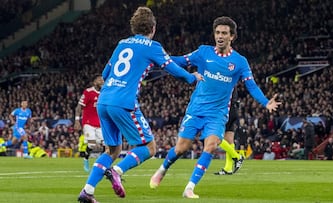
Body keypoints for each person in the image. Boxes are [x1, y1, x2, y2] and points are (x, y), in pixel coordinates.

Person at [77, 6, 203, 203]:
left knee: (112, 150)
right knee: (149, 146)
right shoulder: (153, 46)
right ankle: (117, 171)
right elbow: (173, 69)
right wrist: (192, 77)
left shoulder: (121, 44)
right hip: (123, 102)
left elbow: (104, 75)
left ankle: (88, 191)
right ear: (153, 28)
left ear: (133, 27)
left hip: (103, 101)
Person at [149, 16, 281, 198]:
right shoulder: (203, 52)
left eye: (224, 33)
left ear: (232, 37)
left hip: (217, 114)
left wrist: (266, 102)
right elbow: (180, 61)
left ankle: (189, 188)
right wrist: (156, 58)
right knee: (181, 148)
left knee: (210, 146)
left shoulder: (240, 62)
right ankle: (163, 168)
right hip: (196, 109)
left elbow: (251, 86)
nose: (220, 36)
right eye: (218, 32)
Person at [74, 75, 104, 172]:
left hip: (100, 123)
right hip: (88, 122)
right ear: (94, 82)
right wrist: (77, 120)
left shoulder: (105, 92)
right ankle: (86, 159)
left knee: (106, 145)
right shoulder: (88, 92)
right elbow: (79, 107)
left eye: (102, 79)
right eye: (99, 80)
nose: (102, 81)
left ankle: (101, 164)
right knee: (91, 144)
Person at [214, 89, 244, 175]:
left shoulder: (225, 80)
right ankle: (228, 168)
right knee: (229, 140)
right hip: (233, 110)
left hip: (225, 110)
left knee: (215, 137)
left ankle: (237, 157)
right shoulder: (232, 81)